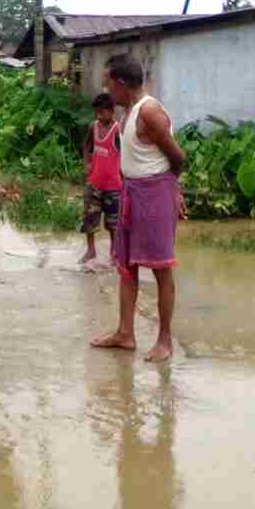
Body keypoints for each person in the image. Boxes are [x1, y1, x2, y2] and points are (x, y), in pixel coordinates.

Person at [90, 54, 187, 363]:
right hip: (131, 191)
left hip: (154, 194)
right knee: (127, 267)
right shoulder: (128, 113)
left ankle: (165, 340)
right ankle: (125, 333)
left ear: (120, 82)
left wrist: (173, 190)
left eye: (108, 82)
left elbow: (178, 158)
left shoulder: (150, 112)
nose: (107, 89)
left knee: (161, 270)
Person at [79, 92, 122, 264]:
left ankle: (113, 252)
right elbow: (86, 145)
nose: (98, 116)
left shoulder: (118, 130)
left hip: (113, 186)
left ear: (111, 111)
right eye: (96, 112)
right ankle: (90, 251)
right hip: (94, 183)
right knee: (89, 219)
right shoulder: (93, 127)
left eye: (101, 112)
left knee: (113, 223)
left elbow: (126, 155)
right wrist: (87, 163)